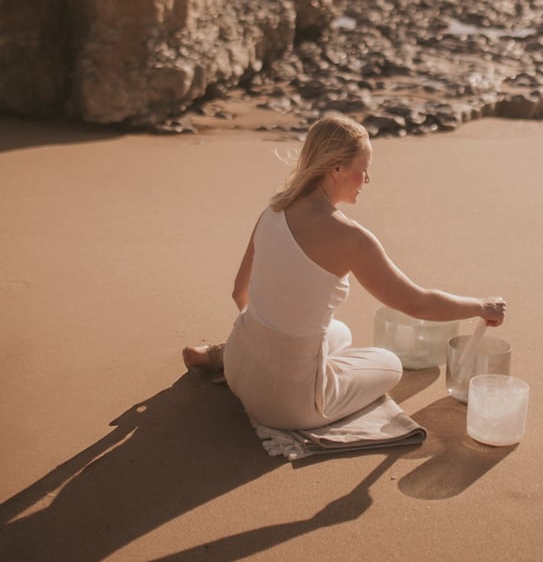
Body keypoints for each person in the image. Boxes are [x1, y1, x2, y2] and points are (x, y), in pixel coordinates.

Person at [183, 113, 506, 431]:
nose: (367, 180)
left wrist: (264, 339)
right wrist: (481, 306)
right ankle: (290, 376)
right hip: (285, 405)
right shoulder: (350, 238)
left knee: (339, 332)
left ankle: (220, 356)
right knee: (389, 364)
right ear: (336, 169)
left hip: (239, 368)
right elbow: (417, 304)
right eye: (363, 170)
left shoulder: (274, 210)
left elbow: (239, 293)